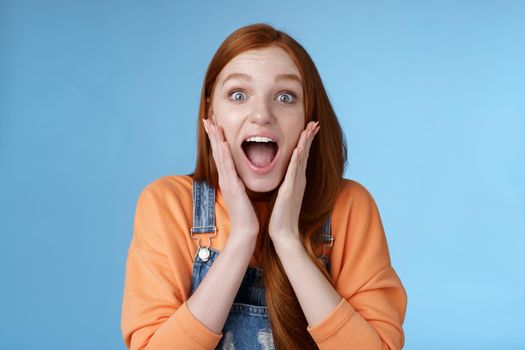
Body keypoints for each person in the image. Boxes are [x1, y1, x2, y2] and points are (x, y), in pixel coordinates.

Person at [121, 23, 407, 350]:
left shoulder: (349, 206)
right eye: (238, 95)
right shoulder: (167, 204)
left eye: (285, 97)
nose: (262, 114)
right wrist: (243, 236)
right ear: (211, 112)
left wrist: (286, 239)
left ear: (308, 118)